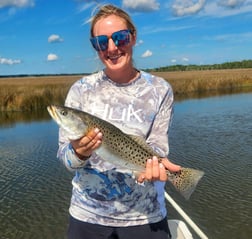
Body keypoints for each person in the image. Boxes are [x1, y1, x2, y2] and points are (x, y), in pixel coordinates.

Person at [57, 4, 181, 239]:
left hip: (146, 217)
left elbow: (157, 148)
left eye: (120, 38)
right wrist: (79, 153)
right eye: (101, 42)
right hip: (87, 217)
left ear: (133, 37)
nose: (112, 48)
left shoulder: (160, 89)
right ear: (95, 47)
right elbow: (66, 160)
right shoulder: (81, 90)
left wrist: (155, 167)